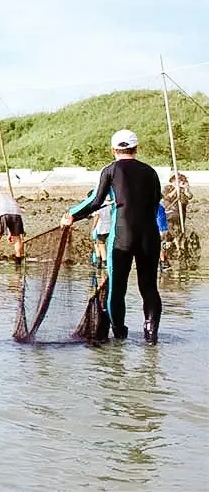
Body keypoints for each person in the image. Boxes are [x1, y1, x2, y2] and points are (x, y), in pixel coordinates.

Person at [60, 129, 162, 344]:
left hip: (122, 236)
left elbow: (95, 201)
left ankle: (119, 334)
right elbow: (155, 202)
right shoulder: (151, 172)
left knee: (117, 287)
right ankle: (151, 337)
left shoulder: (110, 170)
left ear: (113, 149)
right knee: (149, 286)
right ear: (136, 148)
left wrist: (72, 214)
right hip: (149, 236)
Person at [0, 192, 25, 268]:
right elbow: (10, 216)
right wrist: (10, 233)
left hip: (2, 214)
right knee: (17, 238)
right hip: (16, 213)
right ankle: (18, 260)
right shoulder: (9, 197)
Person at [90, 199, 112, 268]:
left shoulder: (98, 204)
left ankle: (104, 263)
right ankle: (99, 262)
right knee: (98, 244)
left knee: (101, 245)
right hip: (109, 227)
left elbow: (96, 216)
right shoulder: (109, 204)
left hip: (101, 228)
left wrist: (93, 227)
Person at [157, 201, 170, 271]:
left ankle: (163, 263)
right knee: (162, 247)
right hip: (164, 229)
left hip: (160, 230)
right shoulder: (160, 206)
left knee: (160, 247)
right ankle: (164, 263)